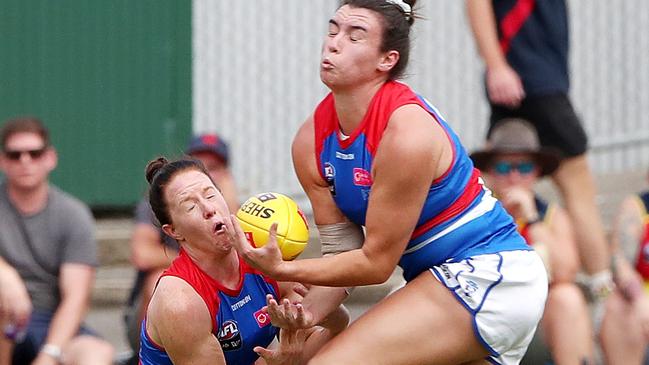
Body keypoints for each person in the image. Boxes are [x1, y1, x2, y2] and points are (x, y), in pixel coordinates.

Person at [232, 1, 548, 364]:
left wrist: (282, 269)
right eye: (333, 30)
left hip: (489, 276)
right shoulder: (310, 141)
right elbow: (342, 251)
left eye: (356, 36)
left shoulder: (406, 133)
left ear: (387, 60)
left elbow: (375, 263)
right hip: (438, 278)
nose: (334, 43)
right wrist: (306, 316)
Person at [465, 0, 615, 305]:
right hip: (531, 79)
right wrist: (496, 65)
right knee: (578, 186)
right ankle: (605, 296)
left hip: (537, 77)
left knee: (494, 186)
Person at [138, 157, 348, 365]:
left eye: (210, 194)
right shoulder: (181, 302)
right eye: (190, 206)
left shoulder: (263, 260)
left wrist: (332, 317)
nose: (208, 209)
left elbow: (317, 343)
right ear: (174, 231)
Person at [471, 118, 594, 364]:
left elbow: (565, 272)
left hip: (539, 320)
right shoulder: (476, 212)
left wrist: (531, 218)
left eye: (524, 168)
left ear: (536, 172)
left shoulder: (551, 217)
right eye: (505, 168)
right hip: (488, 314)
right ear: (491, 172)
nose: (514, 177)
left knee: (567, 297)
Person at [0, 117, 114, 364]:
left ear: (50, 158)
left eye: (35, 153)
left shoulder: (73, 214)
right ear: (2, 161)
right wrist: (5, 274)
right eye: (15, 154)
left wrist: (50, 354)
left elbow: (76, 297)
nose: (25, 161)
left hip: (50, 321)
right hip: (3, 318)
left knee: (97, 355)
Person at [124, 133, 240, 357]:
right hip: (148, 313)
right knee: (159, 280)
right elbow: (142, 254)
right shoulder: (161, 202)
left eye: (215, 167)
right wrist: (202, 260)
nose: (207, 207)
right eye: (200, 161)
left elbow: (234, 241)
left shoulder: (226, 208)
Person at [599, 176, 649, 365]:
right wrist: (639, 298)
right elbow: (620, 262)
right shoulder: (638, 207)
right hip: (643, 301)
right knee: (617, 306)